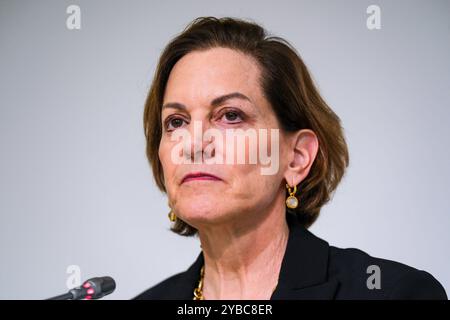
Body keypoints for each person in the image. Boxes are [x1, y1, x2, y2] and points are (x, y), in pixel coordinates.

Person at [134, 16, 447, 300]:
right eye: (176, 122)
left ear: (296, 157)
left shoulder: (394, 294)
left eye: (231, 116)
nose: (194, 143)